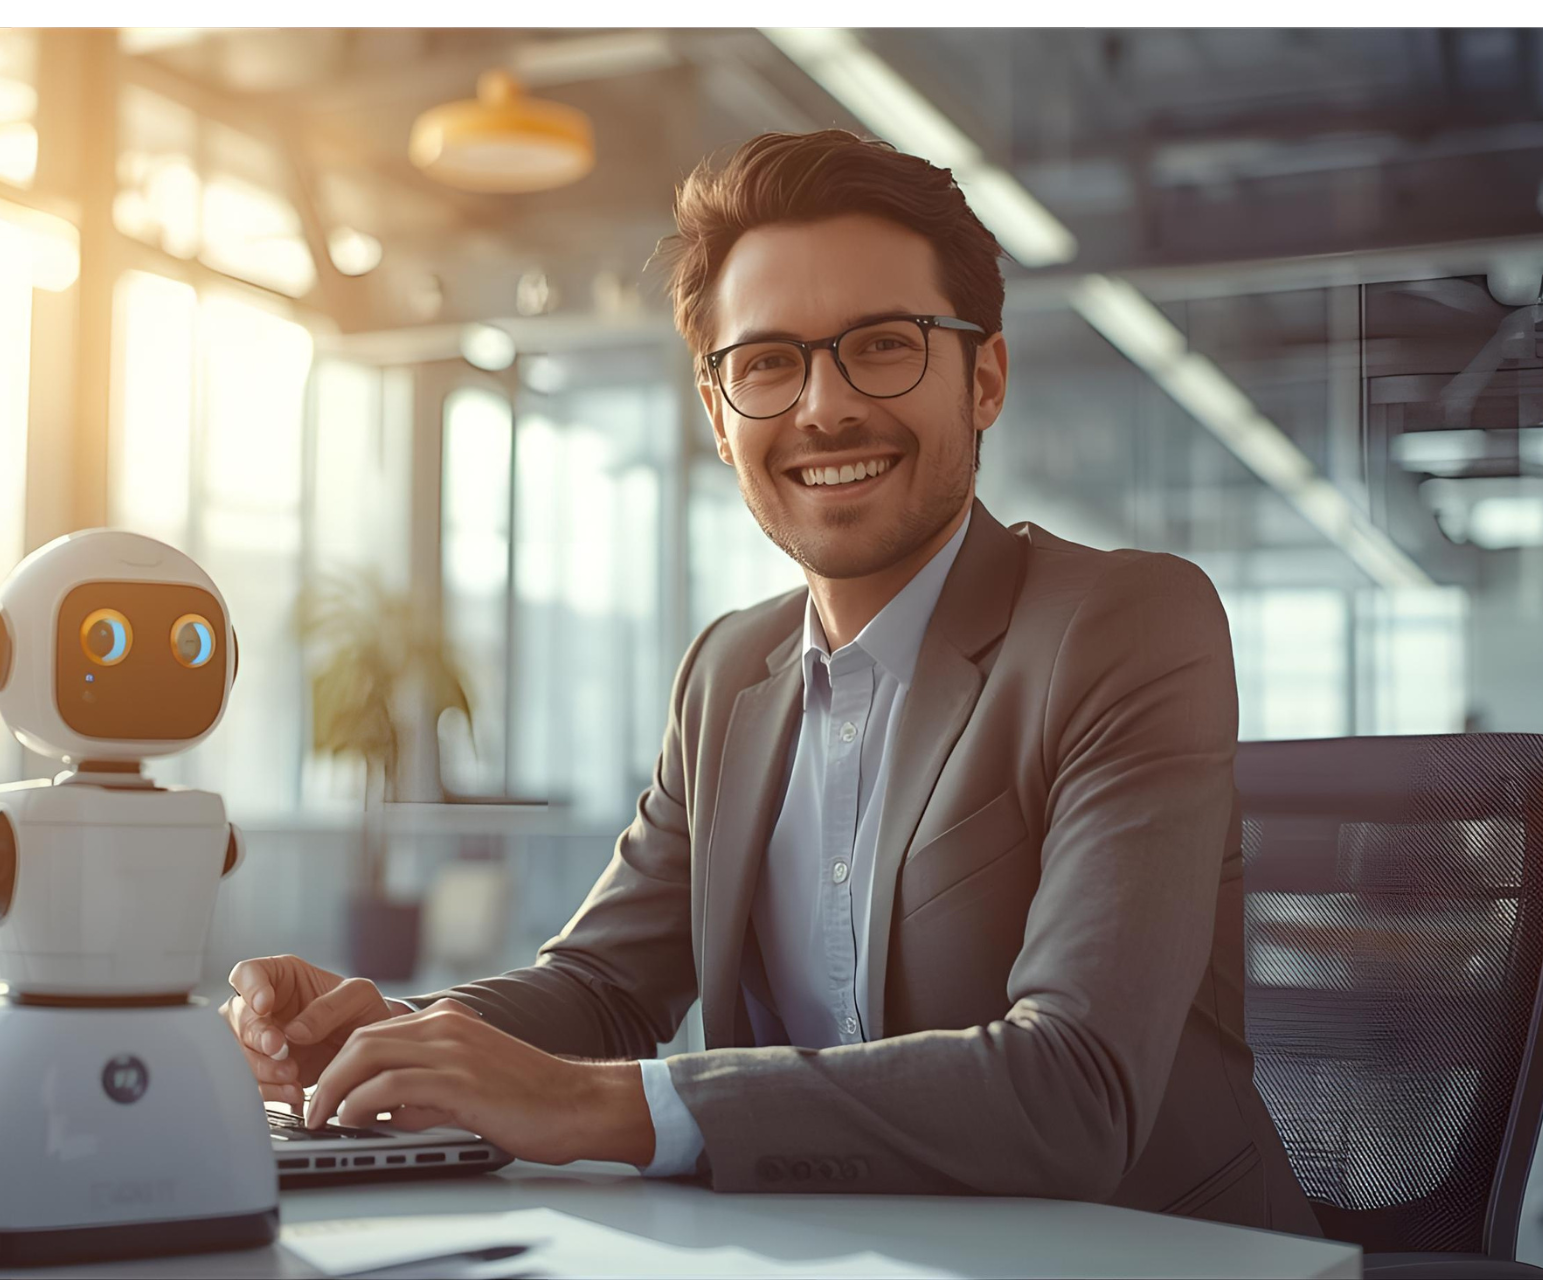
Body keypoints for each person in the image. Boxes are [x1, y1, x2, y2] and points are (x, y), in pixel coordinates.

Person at [222, 129, 1319, 1233]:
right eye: (768, 362)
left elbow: (1075, 1087)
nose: (822, 407)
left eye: (883, 345)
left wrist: (593, 1103)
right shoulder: (726, 673)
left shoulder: (1121, 625)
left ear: (983, 377)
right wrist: (393, 1036)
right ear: (716, 411)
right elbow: (603, 989)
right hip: (815, 1252)